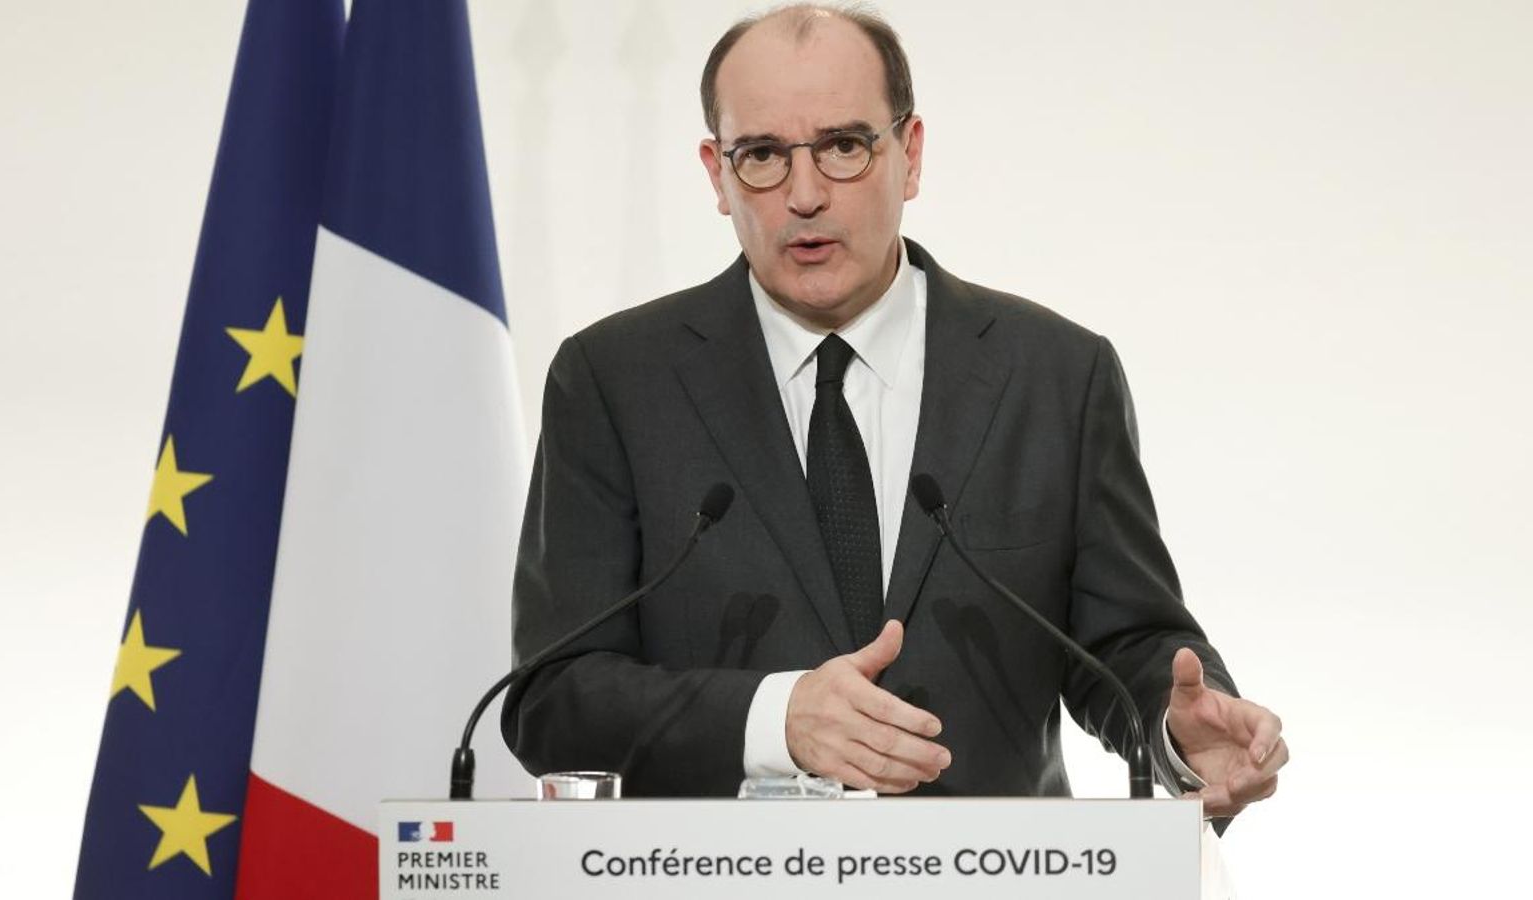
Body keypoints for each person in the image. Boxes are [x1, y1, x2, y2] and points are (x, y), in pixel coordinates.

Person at [502, 3, 1286, 820]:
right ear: (716, 174)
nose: (804, 195)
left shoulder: (1054, 374)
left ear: (909, 157)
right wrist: (774, 718)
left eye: (844, 146)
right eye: (763, 155)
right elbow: (555, 697)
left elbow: (1121, 641)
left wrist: (1175, 729)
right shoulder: (615, 381)